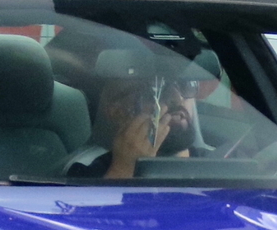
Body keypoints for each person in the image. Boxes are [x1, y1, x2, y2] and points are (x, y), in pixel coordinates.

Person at [69, 77, 198, 181]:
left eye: (184, 86)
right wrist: (123, 169)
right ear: (119, 112)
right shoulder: (87, 178)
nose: (178, 98)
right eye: (155, 92)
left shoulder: (215, 163)